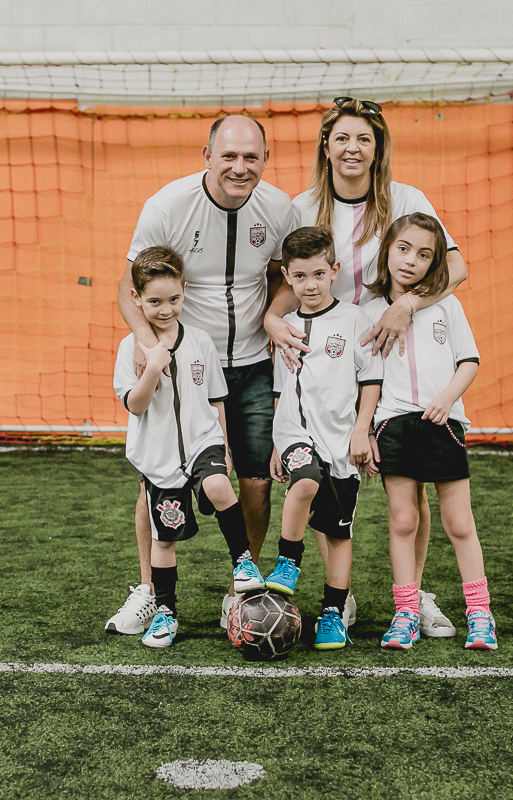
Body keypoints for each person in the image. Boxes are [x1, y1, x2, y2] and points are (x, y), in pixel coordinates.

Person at [263, 96, 470, 637]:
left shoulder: (406, 199)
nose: (352, 148)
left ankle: (415, 598)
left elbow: (456, 266)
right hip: (327, 365)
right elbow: (288, 281)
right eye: (342, 138)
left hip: (393, 356)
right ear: (326, 146)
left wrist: (408, 305)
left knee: (409, 486)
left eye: (364, 139)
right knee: (327, 479)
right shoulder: (302, 207)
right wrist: (271, 318)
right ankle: (341, 598)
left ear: (378, 149)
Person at [105, 115, 298, 634]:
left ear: (265, 159)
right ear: (207, 156)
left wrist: (274, 315)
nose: (240, 167)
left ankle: (241, 592)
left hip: (253, 364)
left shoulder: (280, 208)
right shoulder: (167, 206)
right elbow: (128, 284)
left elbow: (285, 276)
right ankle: (150, 593)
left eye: (251, 157)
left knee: (255, 481)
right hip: (182, 368)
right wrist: (148, 343)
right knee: (156, 480)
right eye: (229, 155)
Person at [111, 246, 266, 648]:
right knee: (165, 539)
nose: (166, 310)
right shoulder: (130, 349)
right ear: (137, 299)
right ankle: (165, 612)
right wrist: (153, 366)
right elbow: (135, 405)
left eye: (174, 299)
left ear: (185, 291)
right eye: (154, 302)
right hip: (160, 459)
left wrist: (225, 447)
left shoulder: (199, 340)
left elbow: (217, 398)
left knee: (218, 485)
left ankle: (243, 563)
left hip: (204, 441)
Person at [359, 213, 496, 651]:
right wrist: (367, 430)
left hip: (443, 424)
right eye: (403, 249)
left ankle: (480, 614)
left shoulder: (446, 305)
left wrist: (446, 399)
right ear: (387, 251)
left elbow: (469, 361)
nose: (411, 261)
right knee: (403, 521)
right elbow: (366, 380)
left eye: (423, 255)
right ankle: (406, 613)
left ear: (435, 263)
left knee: (459, 523)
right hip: (393, 426)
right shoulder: (368, 312)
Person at [264, 227, 382, 650]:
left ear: (334, 270)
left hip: (341, 442)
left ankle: (333, 613)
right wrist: (277, 444)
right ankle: (288, 560)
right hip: (295, 433)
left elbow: (370, 380)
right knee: (306, 480)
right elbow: (281, 388)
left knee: (338, 533)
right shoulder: (285, 327)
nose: (309, 285)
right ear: (287, 276)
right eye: (299, 276)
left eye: (318, 274)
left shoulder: (355, 319)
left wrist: (362, 430)